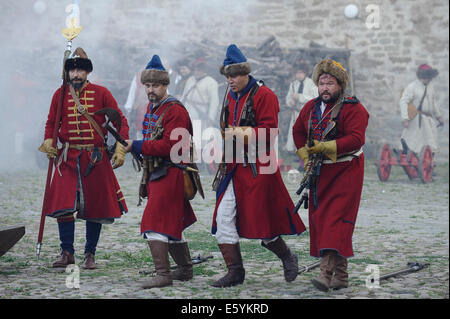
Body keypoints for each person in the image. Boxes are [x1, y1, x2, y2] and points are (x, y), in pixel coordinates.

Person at [210, 44, 306, 288]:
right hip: (233, 167)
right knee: (223, 219)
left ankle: (287, 256)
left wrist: (237, 133)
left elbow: (268, 133)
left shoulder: (265, 96)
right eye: (227, 76)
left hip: (257, 169)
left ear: (245, 74)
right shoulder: (230, 95)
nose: (230, 81)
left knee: (264, 225)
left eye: (234, 76)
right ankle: (235, 272)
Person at [38, 47, 129, 269]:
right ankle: (67, 252)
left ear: (87, 72)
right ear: (67, 73)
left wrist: (120, 147)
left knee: (95, 207)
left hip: (94, 158)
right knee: (63, 206)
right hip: (67, 157)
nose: (76, 74)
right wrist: (50, 141)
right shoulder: (59, 95)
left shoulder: (102, 93)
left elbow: (120, 122)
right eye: (73, 70)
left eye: (80, 70)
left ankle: (90, 254)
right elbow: (52, 123)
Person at [292, 59, 369, 292]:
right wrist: (306, 155)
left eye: (330, 83)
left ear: (340, 85)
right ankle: (341, 277)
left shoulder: (353, 108)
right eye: (322, 83)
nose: (325, 88)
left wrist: (325, 147)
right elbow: (297, 131)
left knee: (335, 221)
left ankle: (325, 275)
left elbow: (357, 139)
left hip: (346, 171)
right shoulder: (311, 107)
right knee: (324, 221)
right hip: (320, 173)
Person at [124, 55, 197, 289]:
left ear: (166, 85)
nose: (150, 89)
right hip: (157, 173)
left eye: (155, 85)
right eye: (147, 85)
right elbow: (151, 140)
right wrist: (139, 150)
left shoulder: (175, 110)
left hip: (172, 173)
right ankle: (185, 269)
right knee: (171, 222)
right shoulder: (152, 107)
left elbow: (170, 147)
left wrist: (136, 145)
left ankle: (163, 274)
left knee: (154, 223)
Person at [399, 64, 444, 155]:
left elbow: (433, 102)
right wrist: (405, 118)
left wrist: (439, 117)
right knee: (412, 141)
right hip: (416, 119)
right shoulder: (412, 86)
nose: (430, 79)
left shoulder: (430, 86)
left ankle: (428, 164)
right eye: (428, 76)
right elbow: (403, 101)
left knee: (430, 142)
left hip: (428, 119)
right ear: (423, 76)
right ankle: (408, 157)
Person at [285, 61, 317, 153]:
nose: (299, 75)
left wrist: (300, 97)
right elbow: (288, 97)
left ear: (305, 73)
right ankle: (296, 151)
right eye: (297, 73)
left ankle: (307, 151)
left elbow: (314, 99)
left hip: (307, 114)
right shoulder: (293, 84)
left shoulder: (311, 84)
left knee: (306, 133)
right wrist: (290, 102)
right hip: (296, 113)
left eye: (301, 73)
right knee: (296, 132)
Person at [181, 57, 220, 129]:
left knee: (196, 137)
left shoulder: (211, 82)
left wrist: (211, 118)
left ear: (204, 70)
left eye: (198, 70)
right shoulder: (190, 79)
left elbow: (214, 102)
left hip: (200, 116)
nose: (196, 72)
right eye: (195, 70)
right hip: (186, 114)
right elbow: (184, 96)